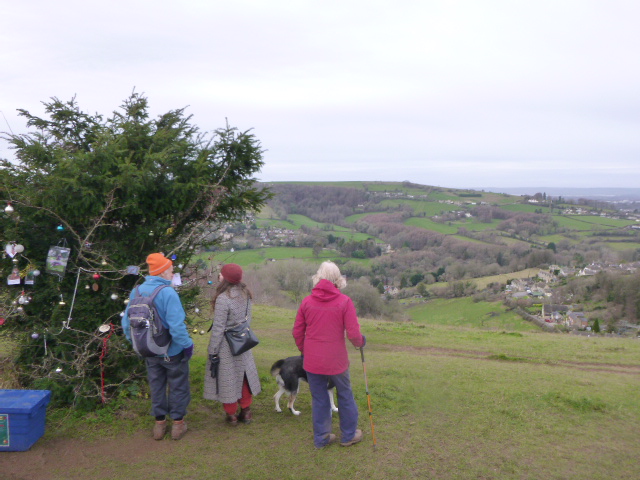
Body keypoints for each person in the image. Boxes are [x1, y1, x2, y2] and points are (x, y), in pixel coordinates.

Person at [292, 261, 366, 449]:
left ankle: (322, 438)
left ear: (318, 277)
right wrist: (360, 342)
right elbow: (354, 334)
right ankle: (348, 435)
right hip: (336, 360)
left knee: (319, 398)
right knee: (345, 394)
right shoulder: (344, 302)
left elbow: (297, 332)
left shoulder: (307, 302)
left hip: (313, 360)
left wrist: (304, 350)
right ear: (338, 279)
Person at [121, 253, 194, 441]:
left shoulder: (136, 291)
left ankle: (159, 425)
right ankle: (178, 425)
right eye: (170, 269)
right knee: (178, 386)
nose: (172, 272)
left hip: (149, 351)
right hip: (172, 352)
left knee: (157, 386)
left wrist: (138, 344)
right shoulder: (168, 293)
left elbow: (125, 324)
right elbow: (177, 328)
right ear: (162, 271)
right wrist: (187, 345)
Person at [204, 263, 261, 425]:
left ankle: (232, 415)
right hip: (244, 341)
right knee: (244, 376)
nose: (219, 276)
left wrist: (213, 351)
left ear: (226, 279)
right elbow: (246, 321)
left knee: (227, 379)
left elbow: (218, 329)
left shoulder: (223, 299)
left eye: (221, 274)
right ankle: (246, 411)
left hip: (226, 346)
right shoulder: (246, 293)